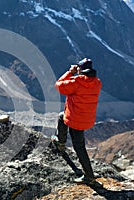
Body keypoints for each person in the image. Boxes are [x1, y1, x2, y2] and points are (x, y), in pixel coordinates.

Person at [54, 58, 103, 187]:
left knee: (79, 147)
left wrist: (70, 72)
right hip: (87, 119)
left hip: (75, 120)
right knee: (61, 117)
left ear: (81, 69)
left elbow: (59, 85)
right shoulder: (97, 83)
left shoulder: (76, 82)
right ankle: (60, 142)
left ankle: (89, 177)